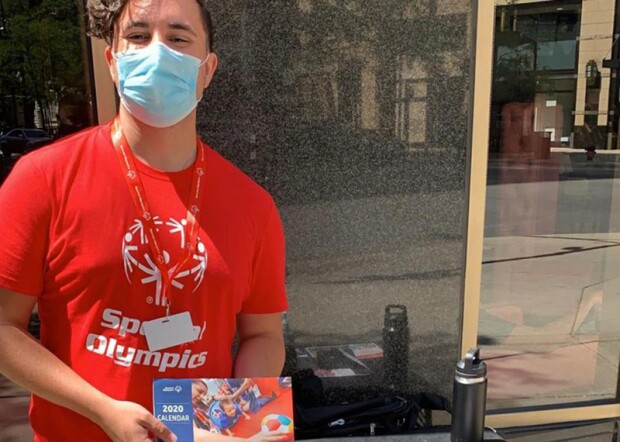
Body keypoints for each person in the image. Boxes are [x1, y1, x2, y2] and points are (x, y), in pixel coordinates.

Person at [0, 0, 288, 441]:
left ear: (207, 71)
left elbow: (263, 336)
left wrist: (236, 425)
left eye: (177, 38)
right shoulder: (42, 180)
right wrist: (102, 411)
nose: (157, 51)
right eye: (137, 36)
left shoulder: (253, 206)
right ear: (112, 63)